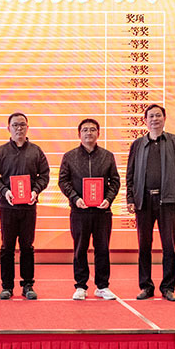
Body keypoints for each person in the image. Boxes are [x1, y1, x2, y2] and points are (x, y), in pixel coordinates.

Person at [126, 104, 175, 302]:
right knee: (144, 245)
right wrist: (130, 199)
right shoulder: (137, 144)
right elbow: (130, 174)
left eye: (158, 116)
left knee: (168, 246)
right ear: (145, 120)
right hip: (143, 201)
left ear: (164, 119)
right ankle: (146, 286)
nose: (154, 119)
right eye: (151, 116)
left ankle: (168, 287)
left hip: (167, 201)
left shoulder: (174, 141)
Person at [0, 112, 50, 300]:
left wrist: (35, 191)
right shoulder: (1, 152)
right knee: (7, 247)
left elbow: (44, 175)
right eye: (15, 125)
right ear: (9, 128)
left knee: (27, 247)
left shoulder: (36, 151)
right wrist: (4, 190)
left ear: (27, 128)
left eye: (22, 125)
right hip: (7, 207)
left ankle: (28, 285)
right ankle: (7, 286)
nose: (19, 128)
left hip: (28, 207)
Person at [58, 118, 121, 301]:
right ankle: (80, 286)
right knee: (80, 249)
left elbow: (115, 181)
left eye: (92, 130)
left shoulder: (107, 156)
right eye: (85, 130)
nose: (89, 133)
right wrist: (75, 198)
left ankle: (102, 286)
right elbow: (63, 181)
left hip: (102, 212)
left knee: (102, 249)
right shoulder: (70, 156)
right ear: (79, 134)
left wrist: (108, 199)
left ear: (98, 133)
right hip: (79, 211)